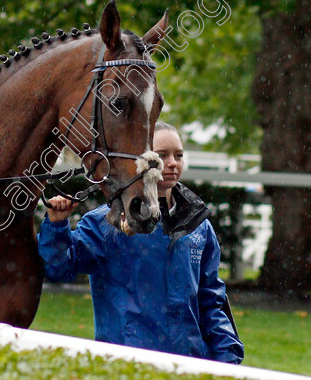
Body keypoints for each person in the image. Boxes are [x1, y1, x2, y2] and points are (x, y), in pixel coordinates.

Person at [37, 121, 244, 364]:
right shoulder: (106, 223)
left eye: (179, 155)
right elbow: (58, 268)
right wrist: (57, 224)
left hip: (190, 365)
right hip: (127, 365)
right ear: (139, 161)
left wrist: (228, 361)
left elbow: (212, 301)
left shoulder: (199, 225)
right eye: (162, 155)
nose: (173, 163)